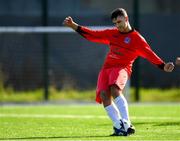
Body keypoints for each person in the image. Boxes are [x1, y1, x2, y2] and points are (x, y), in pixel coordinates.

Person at [63, 8, 174, 136]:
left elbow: (150, 54)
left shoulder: (137, 39)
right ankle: (119, 125)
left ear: (126, 19)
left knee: (115, 89)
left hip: (122, 68)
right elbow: (93, 35)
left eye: (119, 22)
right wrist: (74, 26)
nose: (117, 25)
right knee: (104, 96)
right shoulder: (112, 33)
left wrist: (163, 65)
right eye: (115, 23)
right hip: (107, 68)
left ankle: (127, 123)